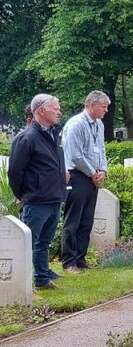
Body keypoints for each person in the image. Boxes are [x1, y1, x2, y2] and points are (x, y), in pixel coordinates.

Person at [8, 94, 67, 290]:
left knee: (44, 241)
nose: (59, 112)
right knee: (29, 242)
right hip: (37, 199)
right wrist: (23, 195)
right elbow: (15, 172)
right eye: (55, 108)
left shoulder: (53, 134)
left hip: (54, 197)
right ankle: (20, 283)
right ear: (41, 111)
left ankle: (42, 275)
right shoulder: (27, 138)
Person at [60, 90, 110, 273]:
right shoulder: (76, 124)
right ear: (91, 105)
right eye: (103, 107)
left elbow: (102, 150)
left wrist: (103, 170)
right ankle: (68, 262)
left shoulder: (99, 125)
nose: (106, 111)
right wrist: (92, 173)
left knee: (86, 220)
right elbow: (75, 155)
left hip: (93, 177)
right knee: (73, 220)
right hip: (77, 176)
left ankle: (80, 258)